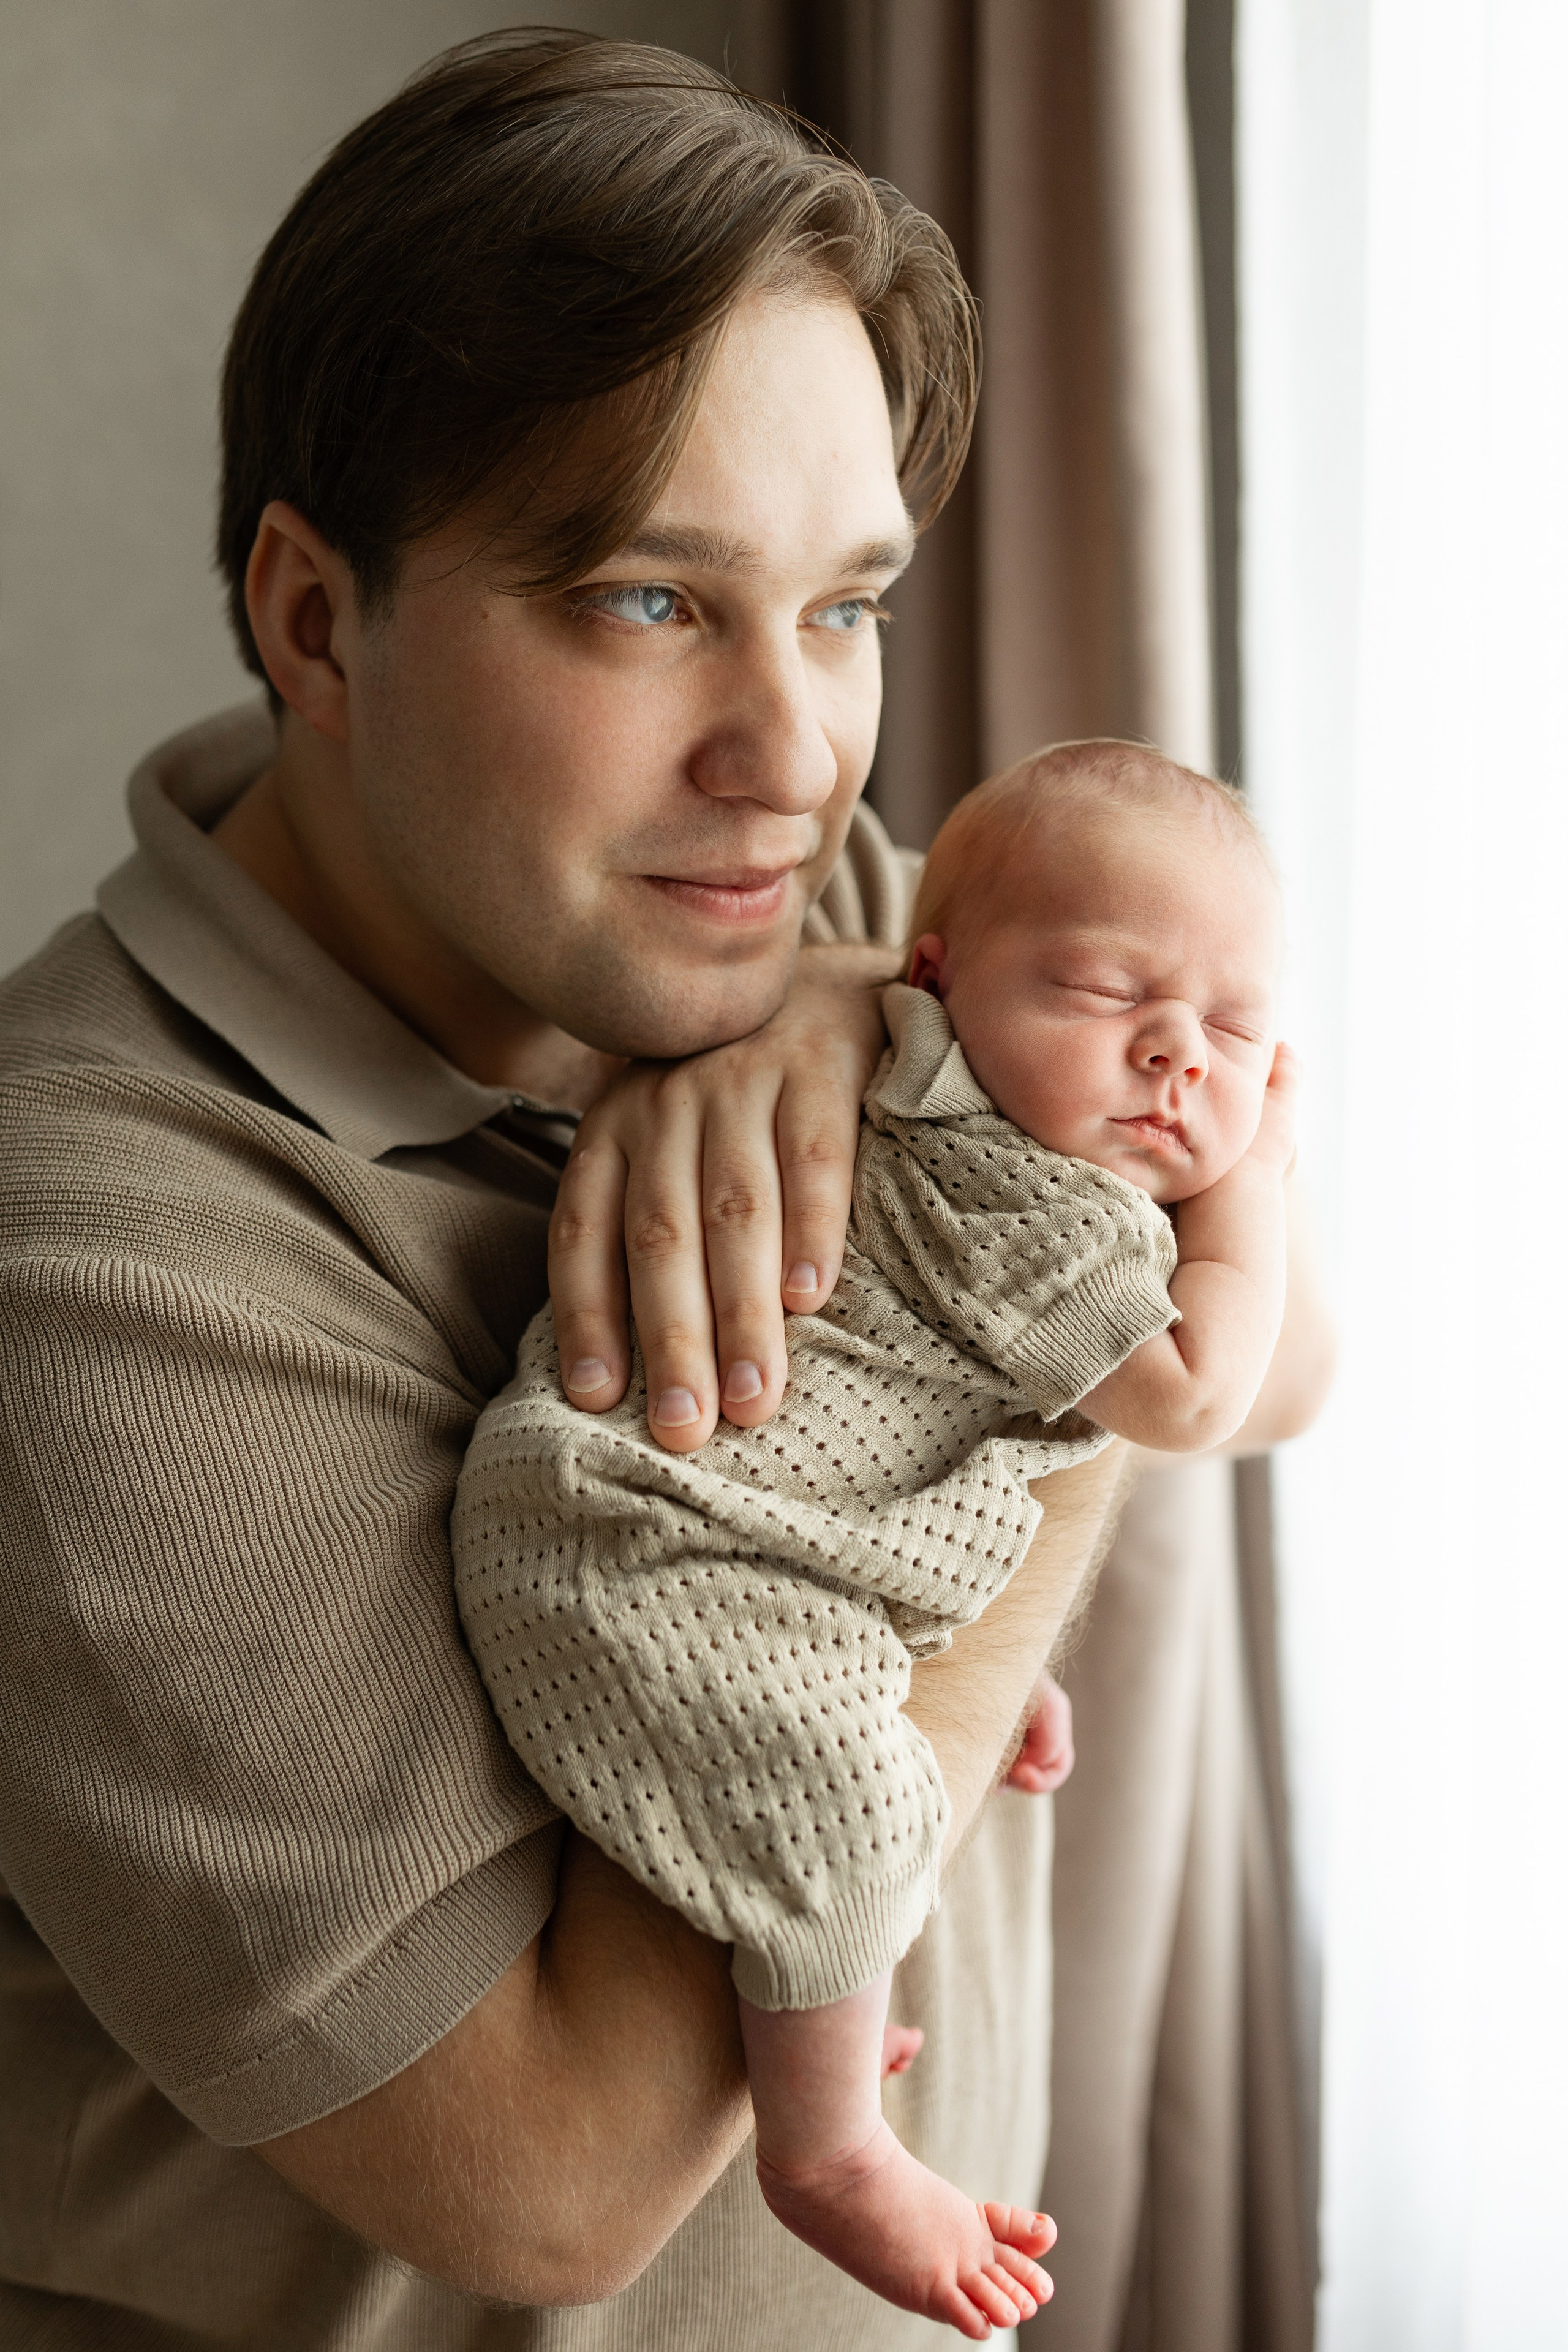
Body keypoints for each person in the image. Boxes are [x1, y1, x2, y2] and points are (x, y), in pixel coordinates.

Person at [0, 31, 1325, 2351]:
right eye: (644, 600)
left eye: (844, 605)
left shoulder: (801, 916)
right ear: (319, 622)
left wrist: (849, 1016)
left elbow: (1290, 1357)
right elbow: (558, 2176)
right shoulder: (91, 1253)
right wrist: (1026, 1315)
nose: (795, 751)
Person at [453, 741, 1293, 2338]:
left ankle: (813, 1979)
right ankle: (829, 2147)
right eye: (1111, 996)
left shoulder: (950, 1085)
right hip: (652, 1543)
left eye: (1236, 1031)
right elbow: (1193, 1397)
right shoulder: (1016, 1184)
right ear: (938, 983)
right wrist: (1263, 1176)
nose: (1181, 1057)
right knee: (849, 1804)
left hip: (764, 1543)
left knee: (883, 1732)